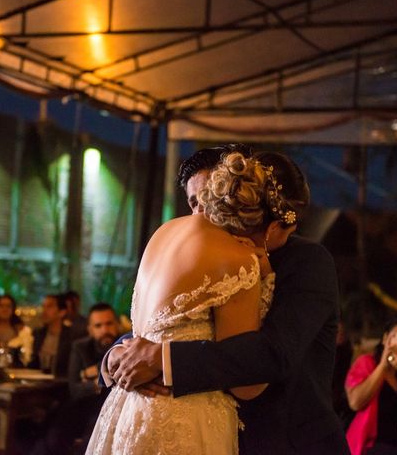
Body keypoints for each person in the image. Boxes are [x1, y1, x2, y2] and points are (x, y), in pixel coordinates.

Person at [104, 151, 350, 454]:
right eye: (194, 203)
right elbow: (171, 317)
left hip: (286, 442)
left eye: (211, 202)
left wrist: (162, 359)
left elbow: (273, 354)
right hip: (206, 432)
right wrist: (120, 354)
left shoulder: (309, 262)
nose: (203, 216)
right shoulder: (199, 248)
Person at [87, 152, 280, 454]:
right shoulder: (236, 258)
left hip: (129, 411)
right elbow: (247, 384)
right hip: (188, 417)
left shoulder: (162, 234)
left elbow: (151, 331)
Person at [32, 303, 120, 455]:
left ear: (117, 325)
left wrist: (92, 374)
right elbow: (75, 389)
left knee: (93, 440)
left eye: (109, 324)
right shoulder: (80, 347)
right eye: (98, 326)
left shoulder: (124, 345)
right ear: (90, 330)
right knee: (52, 438)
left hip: (112, 408)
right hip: (82, 406)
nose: (105, 330)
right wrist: (105, 380)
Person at [345, 315, 397, 455]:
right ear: (385, 339)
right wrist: (383, 366)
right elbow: (355, 403)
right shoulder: (367, 363)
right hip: (368, 446)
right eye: (394, 337)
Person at [30, 294, 79, 377]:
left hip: (62, 383)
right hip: (38, 382)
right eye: (43, 306)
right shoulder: (37, 334)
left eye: (49, 307)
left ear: (62, 312)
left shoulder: (73, 336)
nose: (44, 311)